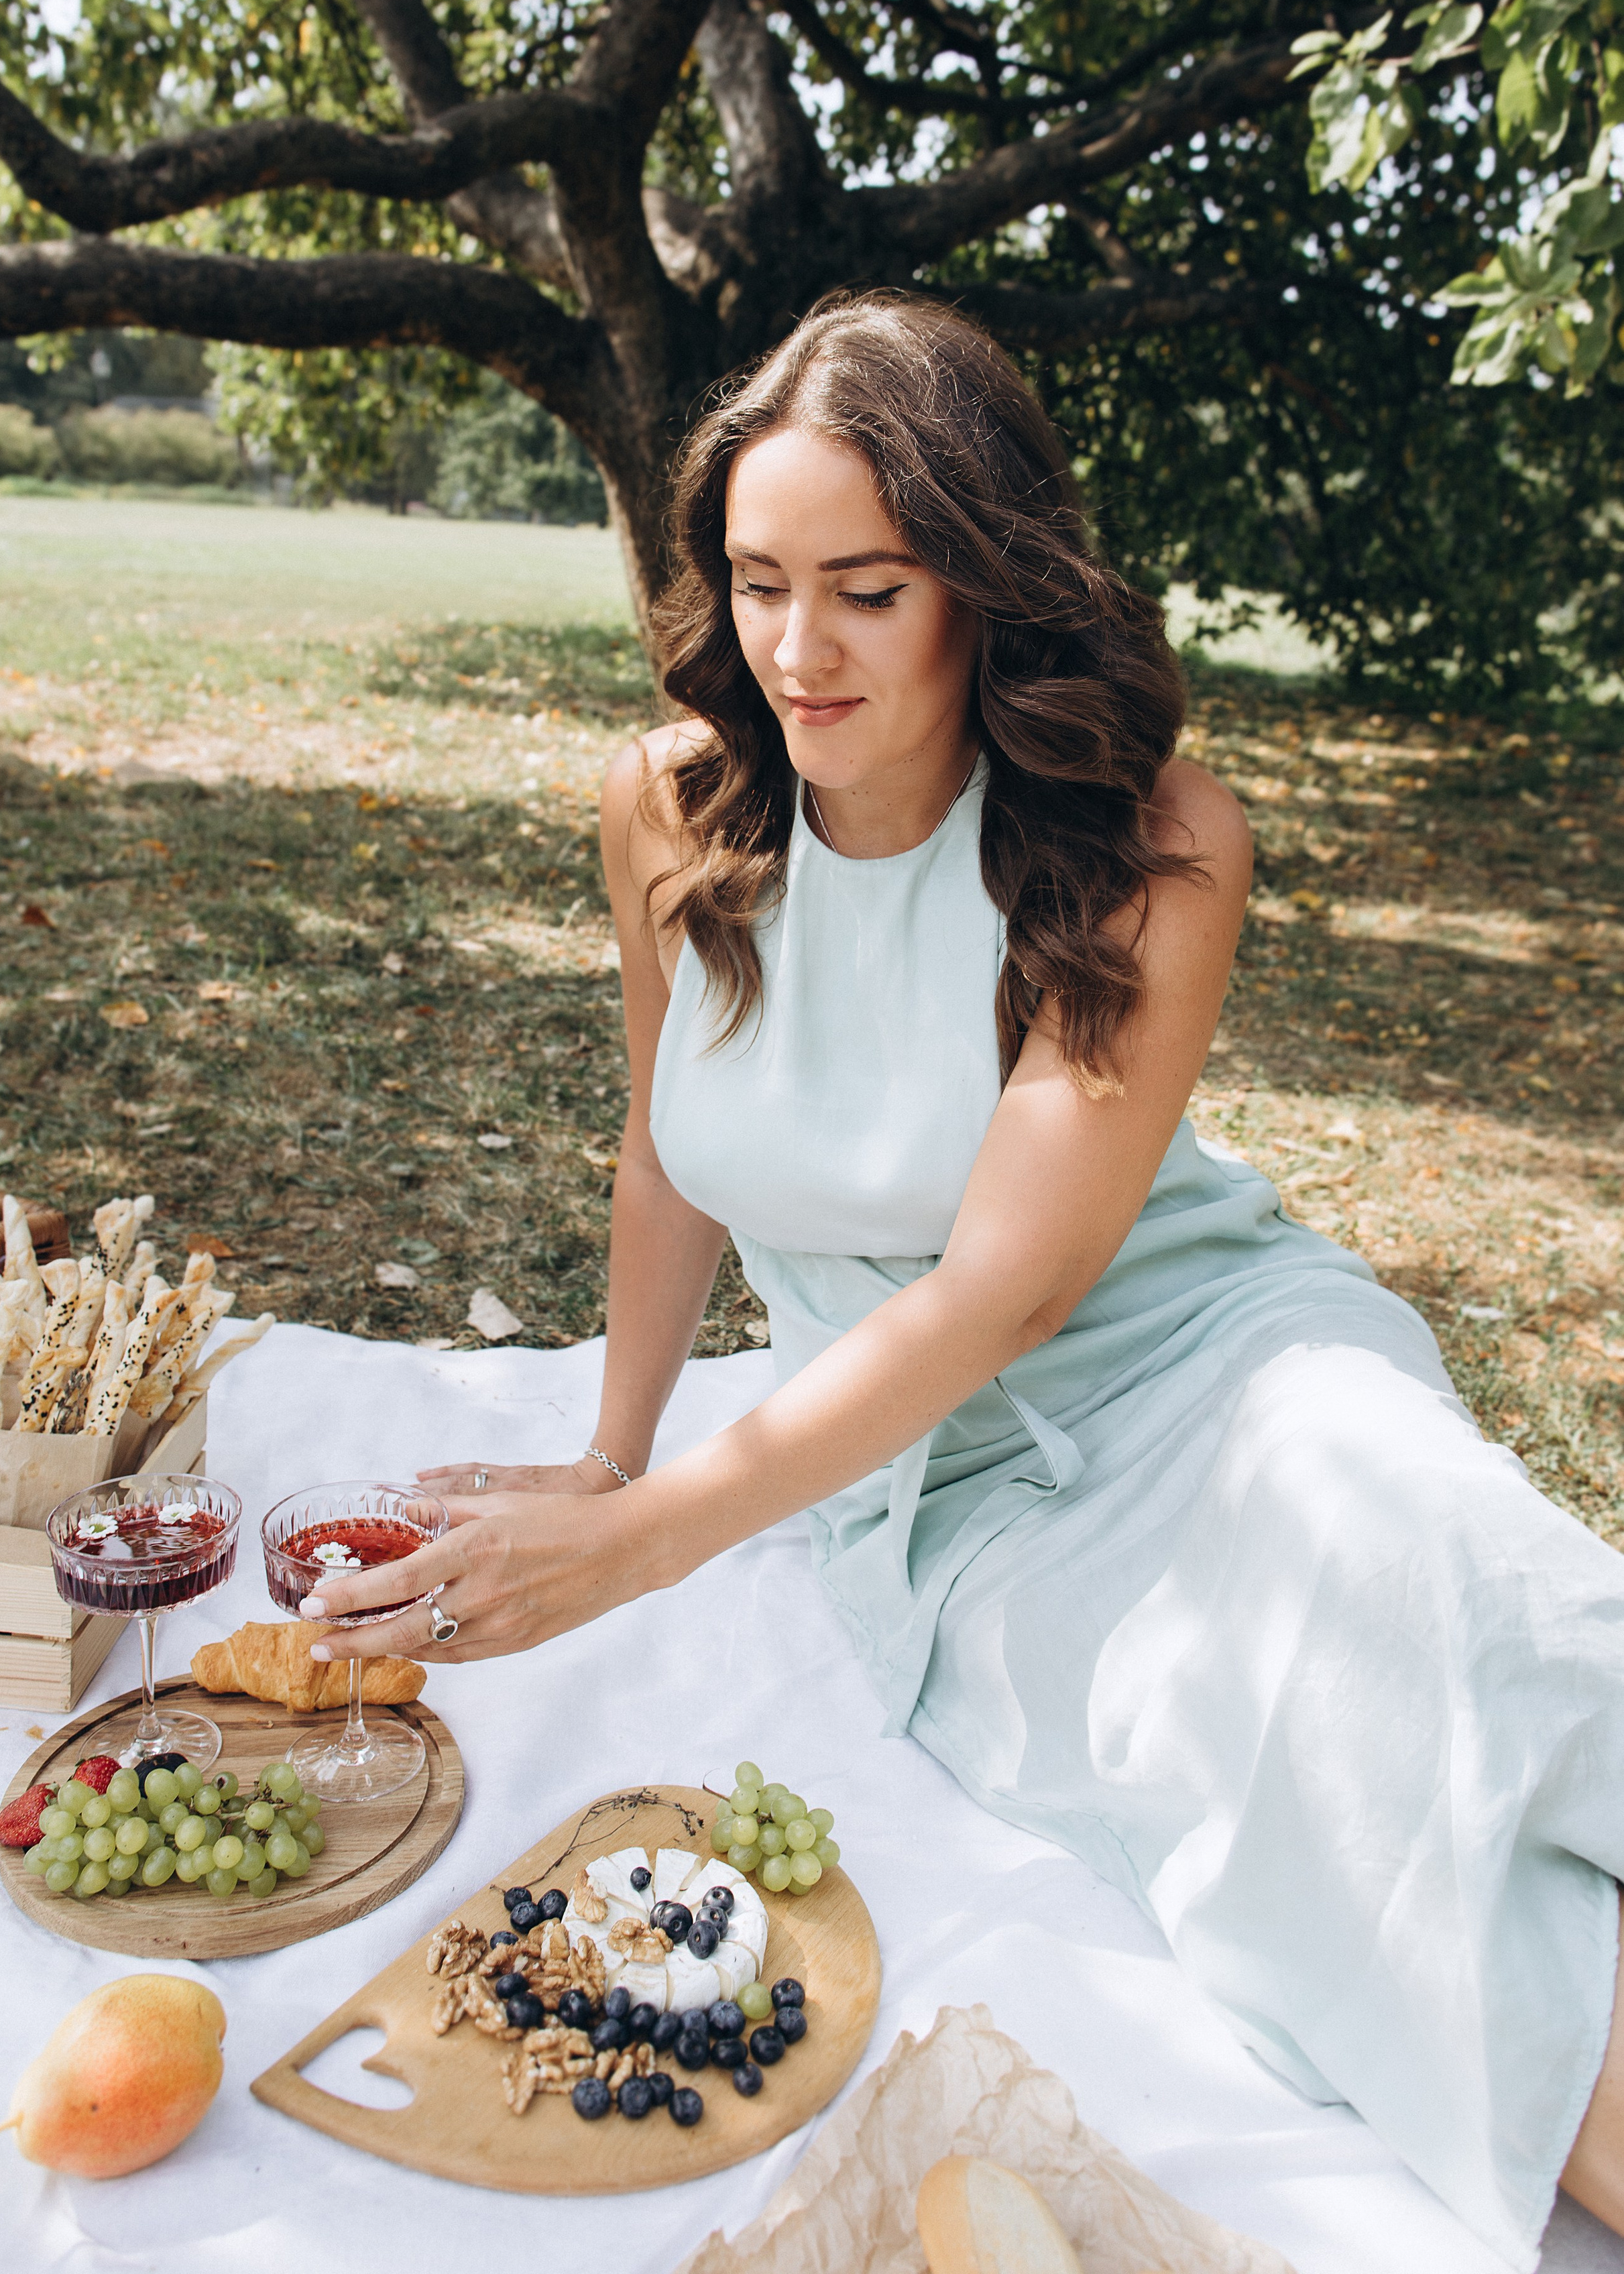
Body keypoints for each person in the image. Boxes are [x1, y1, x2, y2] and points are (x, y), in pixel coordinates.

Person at [302, 292, 1624, 2264]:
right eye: (758, 584)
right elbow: (670, 1151)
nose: (798, 651)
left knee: (1455, 1593)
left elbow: (1009, 1288)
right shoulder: (670, 807)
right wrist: (611, 1449)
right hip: (943, 1490)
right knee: (1304, 1830)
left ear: (985, 584)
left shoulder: (1147, 838)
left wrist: (656, 1535)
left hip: (1221, 1360)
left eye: (867, 590)